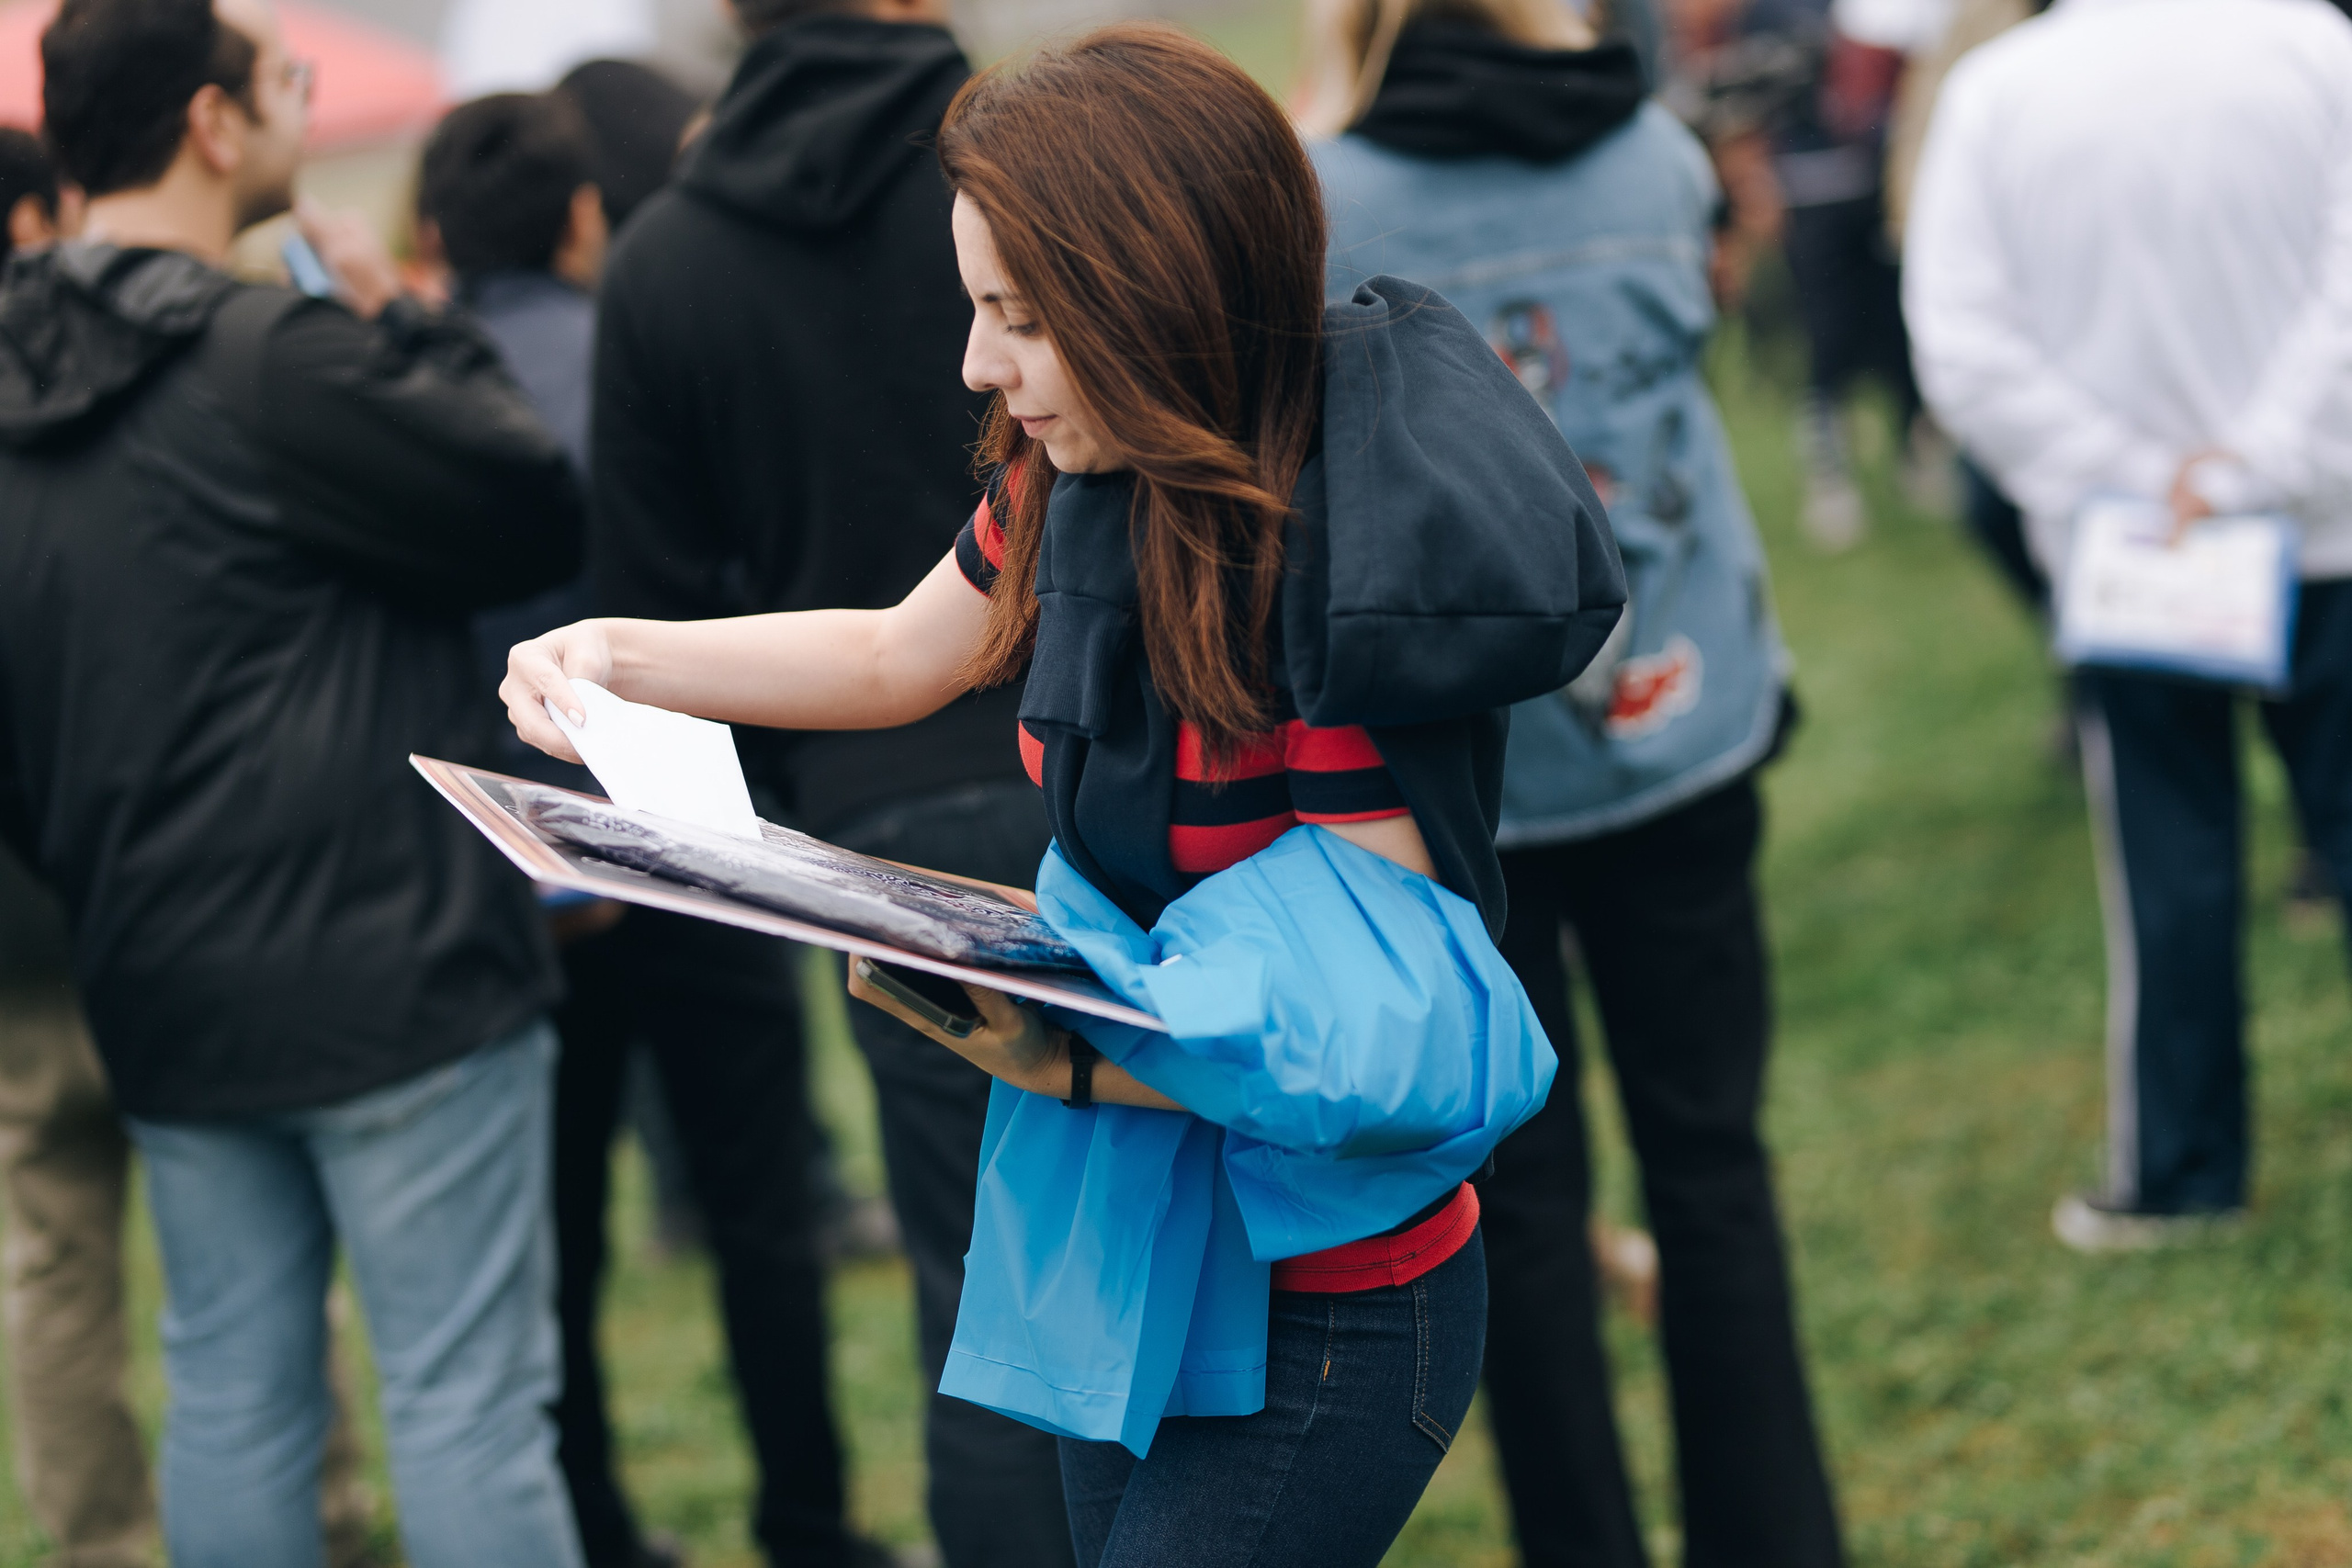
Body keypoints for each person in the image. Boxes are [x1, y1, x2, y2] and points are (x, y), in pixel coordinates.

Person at [506, 24, 1621, 1565]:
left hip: (1332, 1301)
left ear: (1150, 295)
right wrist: (615, 653)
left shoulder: (1336, 566)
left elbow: (1381, 1031)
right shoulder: (1069, 484)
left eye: (1018, 317)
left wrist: (1068, 1059)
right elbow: (901, 655)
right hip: (1143, 1262)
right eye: (977, 307)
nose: (977, 364)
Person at [0, 0, 589, 1561]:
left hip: (156, 975)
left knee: (232, 1395)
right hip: (394, 970)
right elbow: (528, 501)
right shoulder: (274, 353)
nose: (298, 110)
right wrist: (410, 317)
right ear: (212, 123)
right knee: (464, 1398)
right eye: (284, 82)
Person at [1303, 3, 1844, 1564]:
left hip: (1465, 778)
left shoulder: (1329, 206)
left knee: (1521, 1211)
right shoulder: (1656, 159)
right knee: (1714, 1163)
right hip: (1690, 719)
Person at [584, 0, 1068, 1562]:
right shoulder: (1036, 161)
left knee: (979, 1277)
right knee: (1176, 1239)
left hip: (865, 822)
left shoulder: (663, 254)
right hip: (1107, 752)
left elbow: (654, 574)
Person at [1904, 0, 2352, 1248]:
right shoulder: (2312, 43)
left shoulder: (2000, 90)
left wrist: (2134, 478)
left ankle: (2188, 1167)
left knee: (2168, 856)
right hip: (2317, 518)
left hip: (2136, 544)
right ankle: (2182, 1163)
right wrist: (2247, 466)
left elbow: (1962, 344)